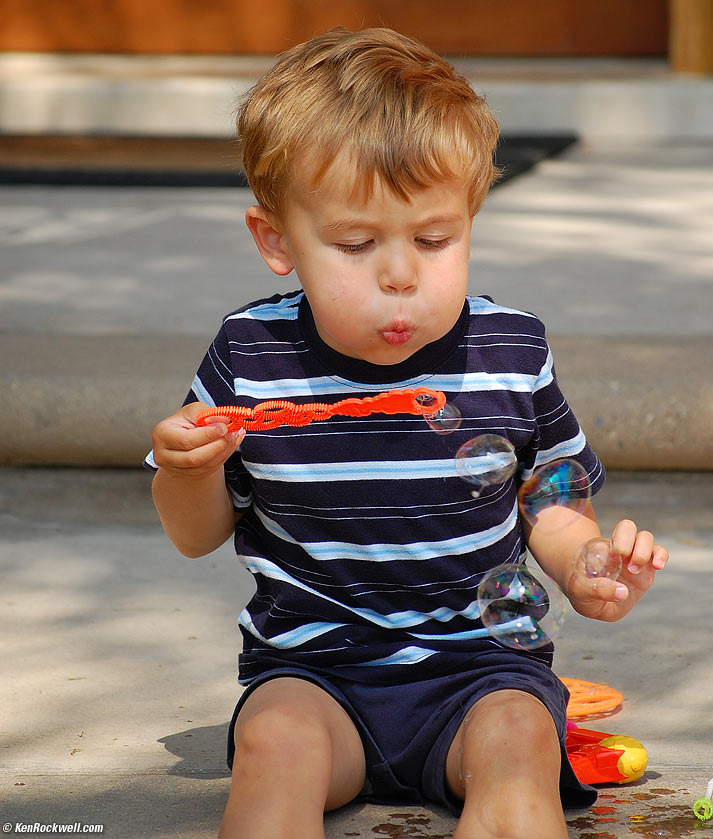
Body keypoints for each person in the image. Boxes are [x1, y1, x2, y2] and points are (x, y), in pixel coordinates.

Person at [147, 27, 668, 839]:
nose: (401, 273)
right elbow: (196, 534)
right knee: (273, 743)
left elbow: (550, 495)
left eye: (434, 239)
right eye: (356, 244)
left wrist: (586, 566)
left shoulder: (510, 349)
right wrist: (187, 472)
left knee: (521, 738)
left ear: (470, 219)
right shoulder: (251, 356)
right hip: (313, 670)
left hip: (482, 669)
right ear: (277, 240)